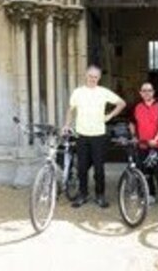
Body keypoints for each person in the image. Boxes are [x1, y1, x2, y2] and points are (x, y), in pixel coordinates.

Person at [63, 65, 126, 208]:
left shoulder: (103, 92)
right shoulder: (78, 92)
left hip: (98, 136)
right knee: (82, 168)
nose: (93, 79)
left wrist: (109, 116)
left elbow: (121, 103)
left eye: (96, 77)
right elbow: (70, 109)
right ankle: (82, 194)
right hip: (82, 135)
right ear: (86, 75)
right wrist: (66, 125)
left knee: (99, 168)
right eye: (90, 76)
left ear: (99, 78)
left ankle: (100, 195)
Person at [129, 82, 158, 209]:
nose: (146, 93)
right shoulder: (137, 107)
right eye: (144, 90)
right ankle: (150, 195)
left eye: (149, 90)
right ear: (140, 93)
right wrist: (133, 136)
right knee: (145, 172)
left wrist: (156, 139)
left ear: (153, 92)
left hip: (157, 145)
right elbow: (132, 122)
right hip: (142, 145)